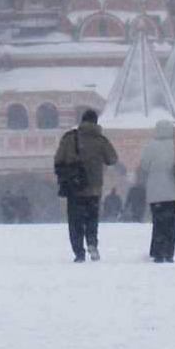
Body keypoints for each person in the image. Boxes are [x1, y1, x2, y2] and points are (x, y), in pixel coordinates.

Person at [53, 109, 118, 263]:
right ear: (96, 122)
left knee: (75, 222)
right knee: (91, 219)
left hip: (74, 187)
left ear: (82, 121)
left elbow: (58, 159)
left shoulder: (70, 138)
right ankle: (92, 243)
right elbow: (113, 159)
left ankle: (79, 252)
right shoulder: (100, 140)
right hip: (94, 188)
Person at [136, 119, 175, 263]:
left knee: (158, 223)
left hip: (156, 193)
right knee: (172, 224)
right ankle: (169, 253)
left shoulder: (150, 146)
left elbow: (144, 165)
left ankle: (158, 252)